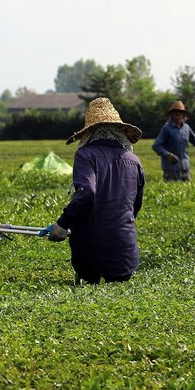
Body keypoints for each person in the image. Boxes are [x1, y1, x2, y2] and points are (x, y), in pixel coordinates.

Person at [42, 97, 145, 284]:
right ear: (119, 131)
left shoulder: (86, 154)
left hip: (90, 251)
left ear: (90, 131)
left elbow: (87, 192)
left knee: (89, 295)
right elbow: (135, 205)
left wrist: (63, 224)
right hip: (124, 251)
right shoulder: (134, 160)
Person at [151, 100, 195, 182]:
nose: (177, 116)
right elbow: (156, 145)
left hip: (185, 167)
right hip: (171, 168)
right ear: (171, 115)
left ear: (183, 115)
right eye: (175, 114)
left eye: (180, 114)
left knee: (187, 190)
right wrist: (168, 155)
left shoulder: (186, 128)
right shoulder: (166, 129)